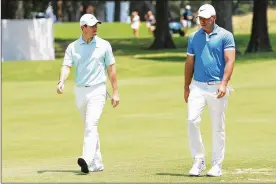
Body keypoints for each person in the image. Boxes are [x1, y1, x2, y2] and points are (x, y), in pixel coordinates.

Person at [56, 14, 119, 174]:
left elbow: (111, 69)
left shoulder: (104, 45)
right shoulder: (73, 47)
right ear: (83, 28)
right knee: (90, 127)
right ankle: (97, 162)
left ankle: (87, 159)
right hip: (80, 91)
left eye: (96, 25)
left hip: (98, 90)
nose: (95, 28)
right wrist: (61, 81)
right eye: (92, 26)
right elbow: (66, 66)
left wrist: (115, 92)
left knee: (91, 125)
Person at [184, 4, 235, 177]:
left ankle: (217, 164)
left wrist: (224, 83)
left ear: (214, 18)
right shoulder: (193, 38)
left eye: (206, 19)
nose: (203, 22)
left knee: (217, 126)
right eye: (200, 19)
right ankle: (199, 161)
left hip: (217, 87)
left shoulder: (225, 36)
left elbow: (230, 61)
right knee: (192, 120)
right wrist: (186, 86)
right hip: (197, 86)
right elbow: (189, 63)